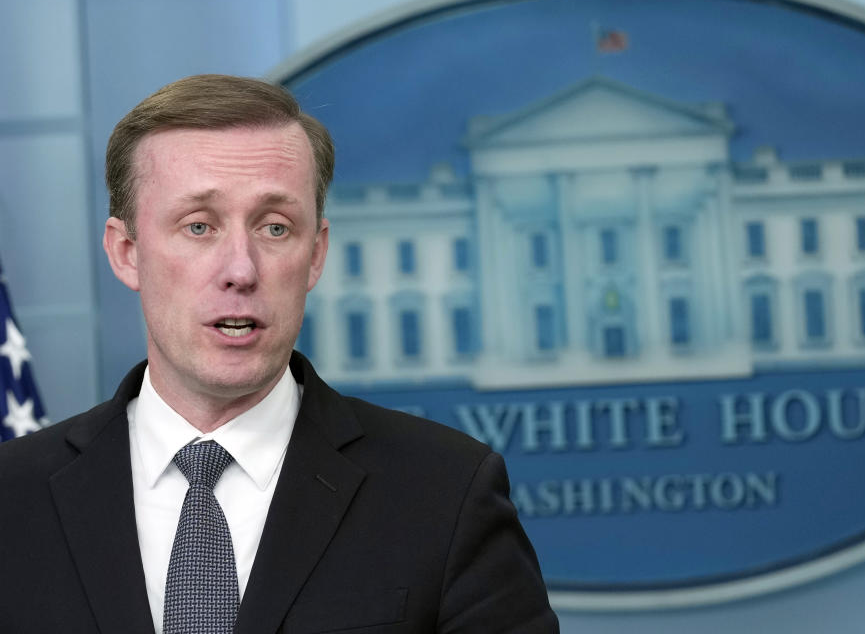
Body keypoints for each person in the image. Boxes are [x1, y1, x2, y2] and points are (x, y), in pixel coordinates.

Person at [0, 74, 558, 634]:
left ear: (315, 256)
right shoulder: (11, 499)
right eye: (199, 226)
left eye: (274, 227)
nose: (241, 270)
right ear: (127, 253)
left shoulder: (447, 491)